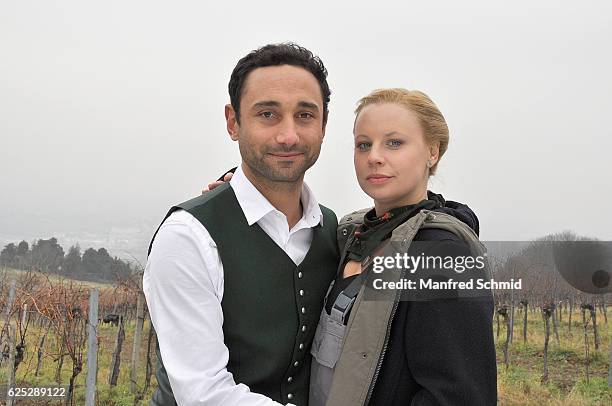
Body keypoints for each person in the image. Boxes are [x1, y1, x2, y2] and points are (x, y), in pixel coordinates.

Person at [143, 43, 340, 406]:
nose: (288, 135)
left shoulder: (330, 228)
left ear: (324, 125)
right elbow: (204, 395)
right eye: (267, 114)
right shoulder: (188, 237)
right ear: (233, 122)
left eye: (305, 115)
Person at [308, 88, 497, 406]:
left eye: (394, 142)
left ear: (432, 152)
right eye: (363, 144)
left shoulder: (442, 254)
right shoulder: (350, 237)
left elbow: (459, 396)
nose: (374, 157)